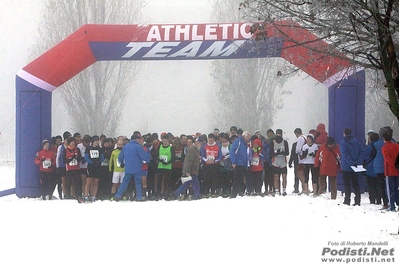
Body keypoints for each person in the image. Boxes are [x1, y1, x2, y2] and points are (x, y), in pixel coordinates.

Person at [114, 134, 151, 202]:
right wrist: (148, 158)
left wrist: (122, 162)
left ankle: (118, 195)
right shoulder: (138, 147)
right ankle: (139, 197)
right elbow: (144, 156)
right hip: (137, 168)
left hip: (128, 168)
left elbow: (120, 156)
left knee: (125, 182)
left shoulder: (126, 146)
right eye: (138, 138)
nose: (139, 140)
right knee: (138, 183)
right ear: (135, 139)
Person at [340, 128, 364, 206]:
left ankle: (347, 200)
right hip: (356, 167)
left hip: (346, 167)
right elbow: (362, 152)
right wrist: (357, 162)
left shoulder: (343, 142)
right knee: (356, 184)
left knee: (347, 184)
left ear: (344, 133)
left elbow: (345, 154)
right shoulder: (357, 142)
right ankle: (357, 200)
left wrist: (351, 163)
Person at [381, 127, 399, 212]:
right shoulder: (396, 146)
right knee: (396, 188)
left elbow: (387, 159)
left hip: (389, 171)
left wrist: (394, 165)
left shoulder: (385, 148)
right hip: (397, 171)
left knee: (390, 189)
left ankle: (392, 206)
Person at [230, 131, 251, 198]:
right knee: (247, 176)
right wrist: (234, 162)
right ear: (244, 136)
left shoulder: (244, 143)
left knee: (239, 179)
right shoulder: (238, 141)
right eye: (248, 137)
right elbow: (232, 151)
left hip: (242, 163)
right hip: (238, 163)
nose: (248, 138)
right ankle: (250, 190)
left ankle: (235, 193)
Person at [201, 133, 222, 198]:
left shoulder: (218, 146)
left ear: (214, 139)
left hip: (214, 165)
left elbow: (220, 156)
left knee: (214, 178)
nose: (210, 141)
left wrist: (214, 161)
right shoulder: (204, 146)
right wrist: (206, 160)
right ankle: (205, 192)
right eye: (209, 140)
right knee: (206, 179)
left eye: (211, 140)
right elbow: (202, 155)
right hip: (206, 165)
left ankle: (213, 192)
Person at [83, 135, 104, 202]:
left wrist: (98, 162)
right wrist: (92, 162)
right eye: (95, 141)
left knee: (96, 182)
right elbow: (86, 157)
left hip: (97, 167)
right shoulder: (88, 148)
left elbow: (102, 157)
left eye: (97, 141)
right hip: (91, 166)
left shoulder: (99, 149)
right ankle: (86, 195)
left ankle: (94, 196)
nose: (96, 143)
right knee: (88, 181)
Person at [269, 129, 289, 196]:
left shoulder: (285, 142)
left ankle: (284, 190)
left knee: (284, 177)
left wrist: (283, 152)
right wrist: (276, 153)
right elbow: (270, 153)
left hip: (283, 162)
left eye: (280, 134)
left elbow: (287, 152)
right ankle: (277, 190)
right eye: (277, 134)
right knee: (276, 177)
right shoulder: (273, 142)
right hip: (275, 162)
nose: (278, 135)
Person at [363, 132, 381, 204]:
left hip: (370, 168)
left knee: (371, 186)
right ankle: (379, 199)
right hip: (379, 168)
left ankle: (372, 200)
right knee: (378, 185)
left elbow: (365, 157)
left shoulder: (369, 147)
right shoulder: (380, 146)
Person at [294, 128, 308, 195]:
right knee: (303, 174)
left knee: (299, 174)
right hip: (305, 159)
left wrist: (296, 151)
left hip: (301, 159)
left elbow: (298, 149)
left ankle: (305, 188)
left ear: (296, 133)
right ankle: (304, 188)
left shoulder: (300, 138)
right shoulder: (305, 137)